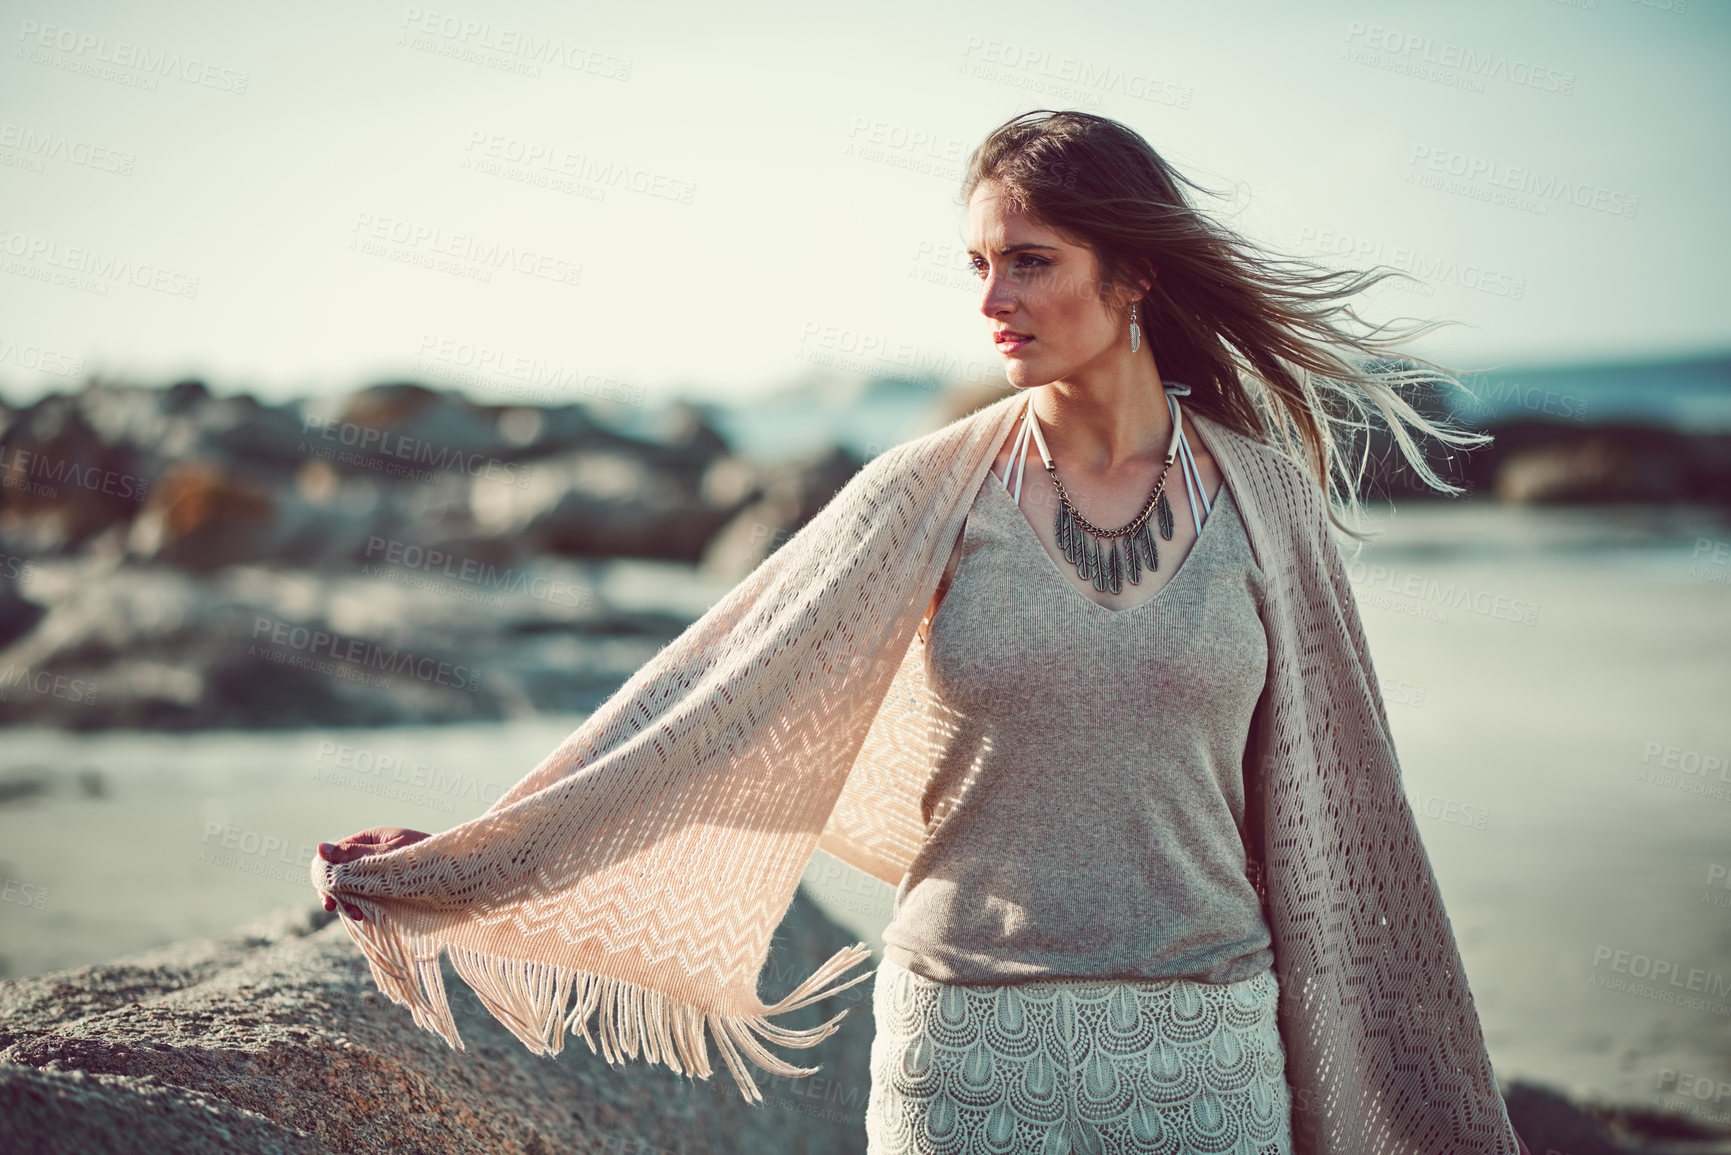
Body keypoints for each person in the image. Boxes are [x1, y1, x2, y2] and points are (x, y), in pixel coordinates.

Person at [316, 110, 1532, 1155]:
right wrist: (468, 859)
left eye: (1029, 263)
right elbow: (717, 703)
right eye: (978, 267)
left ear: (1136, 275)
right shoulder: (927, 492)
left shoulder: (1266, 503)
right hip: (967, 1057)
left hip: (1201, 1057)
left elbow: (1345, 800)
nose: (993, 303)